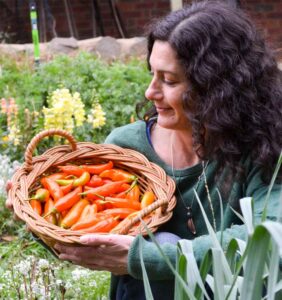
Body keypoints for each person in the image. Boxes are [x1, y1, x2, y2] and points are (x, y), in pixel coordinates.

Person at [6, 0, 282, 299]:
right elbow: (90, 242)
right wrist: (39, 218)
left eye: (169, 80)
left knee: (160, 242)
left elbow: (271, 236)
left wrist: (150, 258)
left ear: (218, 87)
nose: (150, 92)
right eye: (152, 74)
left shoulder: (263, 145)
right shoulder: (126, 149)